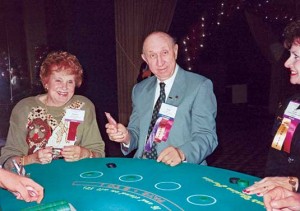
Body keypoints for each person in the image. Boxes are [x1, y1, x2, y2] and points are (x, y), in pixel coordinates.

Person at [106, 31, 218, 166]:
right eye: (152, 55)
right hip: (142, 167)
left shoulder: (199, 86)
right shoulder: (140, 90)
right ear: (145, 59)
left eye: (165, 52)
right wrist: (125, 137)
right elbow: (136, 132)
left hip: (180, 169)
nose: (160, 62)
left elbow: (207, 136)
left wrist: (181, 153)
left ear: (175, 51)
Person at [0, 51, 105, 169]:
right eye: (58, 80)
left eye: (70, 81)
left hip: (74, 176)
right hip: (33, 179)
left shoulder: (84, 106)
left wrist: (84, 153)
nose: (64, 87)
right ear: (46, 82)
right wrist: (31, 159)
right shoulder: (24, 108)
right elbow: (7, 162)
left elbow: (99, 154)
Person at [244, 20, 300, 195]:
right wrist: (271, 187)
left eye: (296, 56)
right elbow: (278, 154)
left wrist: (292, 184)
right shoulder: (291, 105)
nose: (286, 63)